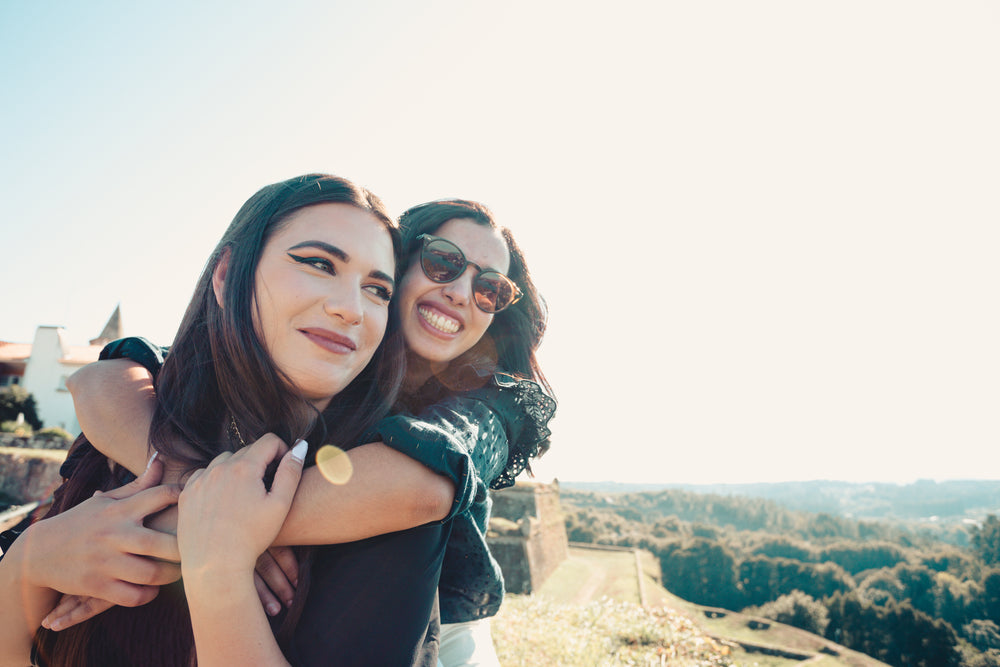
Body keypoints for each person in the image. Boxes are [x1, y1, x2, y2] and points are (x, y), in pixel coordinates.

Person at [48, 199, 556, 665]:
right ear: (398, 265)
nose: (462, 293)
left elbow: (420, 487)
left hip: (442, 637)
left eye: (491, 288)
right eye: (443, 262)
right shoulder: (340, 345)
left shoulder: (498, 401)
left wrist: (202, 528)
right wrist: (188, 483)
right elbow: (109, 377)